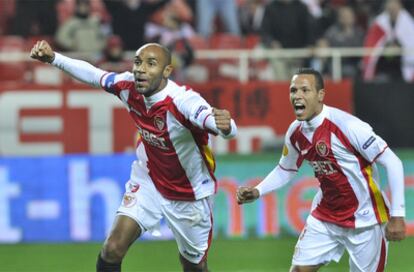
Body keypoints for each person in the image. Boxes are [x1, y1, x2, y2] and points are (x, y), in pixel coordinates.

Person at [30, 40, 237, 272]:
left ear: (167, 71)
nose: (141, 69)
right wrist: (53, 58)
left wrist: (226, 127)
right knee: (112, 248)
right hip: (148, 180)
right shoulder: (127, 86)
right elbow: (94, 75)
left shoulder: (183, 101)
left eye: (151, 64)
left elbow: (214, 121)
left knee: (193, 266)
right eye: (138, 62)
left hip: (189, 194)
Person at [237, 68, 406, 271]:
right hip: (326, 217)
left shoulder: (348, 126)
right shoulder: (295, 132)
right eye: (293, 90)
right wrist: (258, 190)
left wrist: (397, 215)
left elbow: (393, 162)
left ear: (320, 95)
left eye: (305, 90)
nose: (297, 96)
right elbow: (286, 169)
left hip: (366, 220)